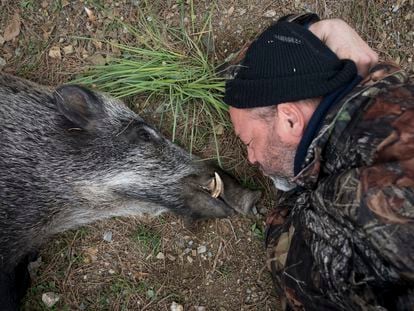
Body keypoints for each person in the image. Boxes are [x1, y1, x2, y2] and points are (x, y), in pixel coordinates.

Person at [224, 14, 414, 311]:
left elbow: (285, 258)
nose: (251, 158)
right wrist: (322, 30)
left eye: (249, 141)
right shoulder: (401, 95)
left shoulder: (350, 211)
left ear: (289, 120)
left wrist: (290, 183)